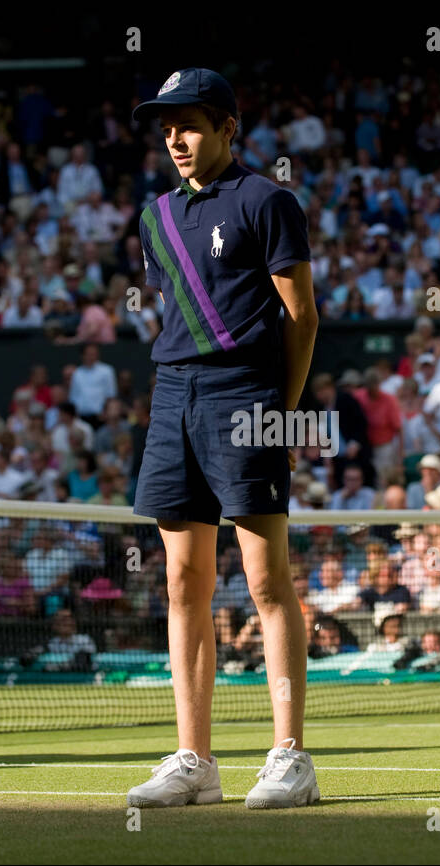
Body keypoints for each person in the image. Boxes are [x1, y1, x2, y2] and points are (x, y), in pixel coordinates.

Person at [127, 69, 320, 811]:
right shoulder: (154, 219)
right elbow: (176, 313)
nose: (176, 138)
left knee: (268, 581)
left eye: (193, 124)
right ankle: (194, 760)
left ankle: (290, 757)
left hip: (248, 394)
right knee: (183, 584)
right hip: (172, 394)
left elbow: (301, 317)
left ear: (228, 127)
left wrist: (283, 411)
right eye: (167, 126)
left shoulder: (269, 201)